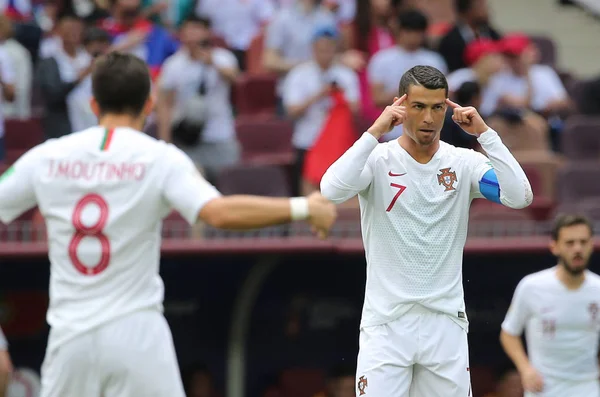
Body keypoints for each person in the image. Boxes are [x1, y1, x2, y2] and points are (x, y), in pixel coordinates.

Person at [0, 52, 337, 397]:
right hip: (135, 332)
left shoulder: (48, 156)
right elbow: (217, 213)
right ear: (149, 104)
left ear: (92, 103)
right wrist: (303, 207)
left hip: (69, 339)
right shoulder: (158, 158)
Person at [320, 65, 532, 396]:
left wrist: (486, 135)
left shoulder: (464, 163)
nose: (429, 119)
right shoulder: (377, 160)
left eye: (437, 107)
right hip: (386, 326)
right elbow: (331, 190)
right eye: (418, 106)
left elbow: (520, 196)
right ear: (400, 106)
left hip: (445, 325)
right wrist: (374, 131)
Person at [500, 214, 599, 397]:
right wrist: (525, 370)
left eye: (583, 242)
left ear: (591, 244)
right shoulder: (531, 286)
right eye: (570, 243)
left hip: (588, 388)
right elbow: (509, 333)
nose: (577, 248)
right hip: (543, 389)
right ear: (554, 246)